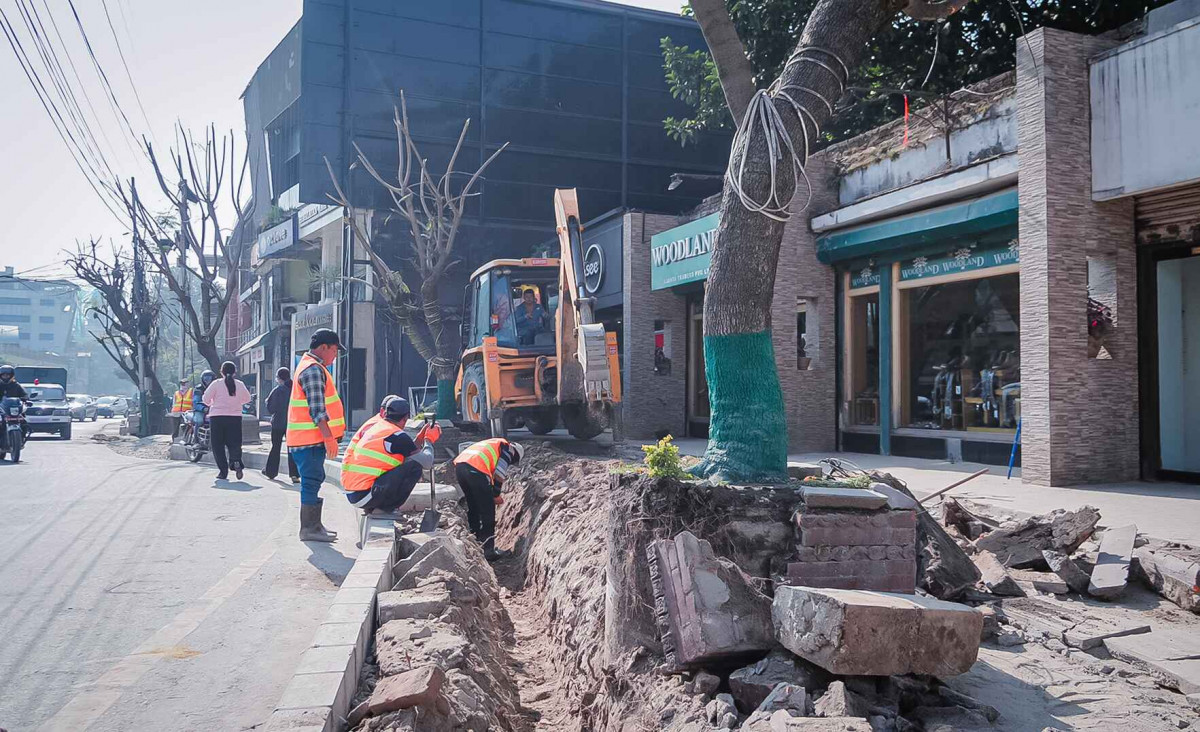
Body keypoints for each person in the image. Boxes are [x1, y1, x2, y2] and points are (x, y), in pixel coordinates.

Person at [287, 328, 346, 543]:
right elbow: (317, 409)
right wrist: (329, 437)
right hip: (309, 440)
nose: (335, 356)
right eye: (334, 350)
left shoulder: (310, 366)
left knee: (314, 479)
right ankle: (309, 528)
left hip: (307, 439)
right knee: (311, 481)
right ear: (324, 347)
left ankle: (314, 525)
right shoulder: (313, 370)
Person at [341, 396, 435, 515]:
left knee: (408, 462)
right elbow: (426, 462)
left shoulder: (379, 428)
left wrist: (420, 438)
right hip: (365, 496)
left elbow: (407, 450)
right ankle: (386, 508)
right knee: (414, 466)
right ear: (405, 418)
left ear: (385, 413)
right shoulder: (397, 436)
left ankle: (375, 508)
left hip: (355, 494)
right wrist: (429, 440)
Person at [453, 437, 524, 561]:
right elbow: (500, 473)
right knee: (488, 512)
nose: (511, 462)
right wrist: (495, 495)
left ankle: (474, 541)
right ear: (515, 454)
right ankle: (488, 550)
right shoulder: (508, 449)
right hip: (475, 470)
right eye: (514, 461)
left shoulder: (492, 443)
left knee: (473, 506)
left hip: (460, 467)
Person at [203, 361, 252, 480]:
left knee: (218, 445)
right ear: (235, 372)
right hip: (235, 417)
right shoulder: (239, 384)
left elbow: (205, 399)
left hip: (217, 417)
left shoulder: (216, 384)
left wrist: (212, 403)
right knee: (234, 442)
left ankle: (223, 471)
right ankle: (235, 461)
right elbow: (247, 398)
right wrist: (236, 402)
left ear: (221, 372)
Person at [262, 367, 299, 483]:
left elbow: (271, 408)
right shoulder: (295, 389)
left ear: (279, 378)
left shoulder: (277, 390)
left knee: (275, 447)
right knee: (292, 449)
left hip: (278, 423)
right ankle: (294, 474)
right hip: (293, 423)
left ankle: (271, 472)